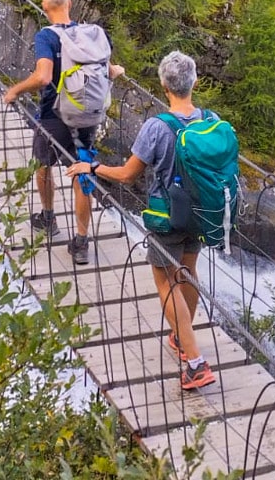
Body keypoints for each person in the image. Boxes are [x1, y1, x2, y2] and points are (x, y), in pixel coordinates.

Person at [67, 50, 217, 391]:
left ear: (164, 85)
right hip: (202, 213)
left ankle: (195, 364)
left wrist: (91, 167)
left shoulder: (157, 126)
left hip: (167, 217)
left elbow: (126, 175)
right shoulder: (210, 119)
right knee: (188, 275)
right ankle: (183, 340)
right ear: (194, 82)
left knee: (166, 283)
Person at [3, 0, 124, 265]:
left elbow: (44, 78)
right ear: (69, 3)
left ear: (45, 9)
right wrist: (116, 72)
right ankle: (81, 242)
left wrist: (15, 91)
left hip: (53, 116)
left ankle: (48, 218)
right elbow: (107, 69)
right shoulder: (93, 34)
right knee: (82, 173)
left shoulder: (46, 36)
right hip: (87, 116)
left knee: (43, 166)